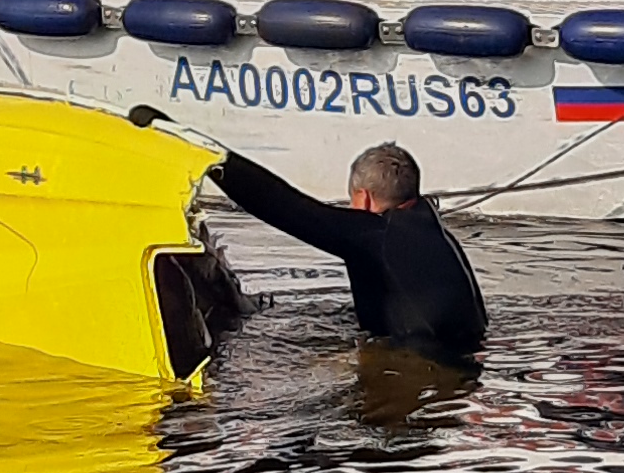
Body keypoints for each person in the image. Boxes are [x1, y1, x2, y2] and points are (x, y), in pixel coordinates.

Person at [204, 141, 485, 366]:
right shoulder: (431, 227)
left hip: (428, 366)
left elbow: (288, 210)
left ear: (364, 198)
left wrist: (212, 160)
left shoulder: (378, 236)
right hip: (466, 358)